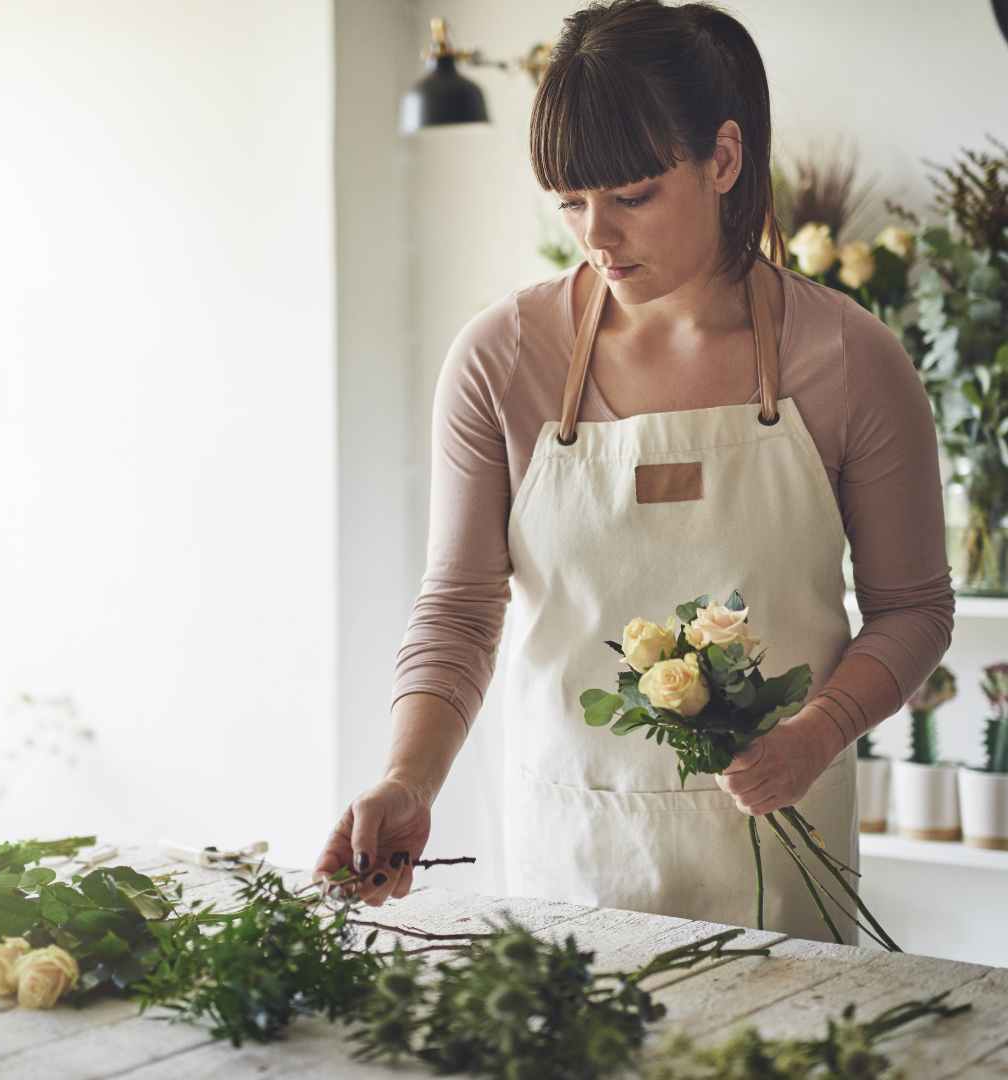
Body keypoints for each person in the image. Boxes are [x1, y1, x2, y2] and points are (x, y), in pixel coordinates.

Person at [312, 0, 954, 943]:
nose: (596, 237)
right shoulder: (502, 357)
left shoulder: (850, 357)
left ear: (724, 160)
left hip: (782, 858)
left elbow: (914, 609)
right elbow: (458, 604)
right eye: (571, 202)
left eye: (632, 196)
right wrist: (410, 778)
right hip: (571, 852)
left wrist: (818, 732)